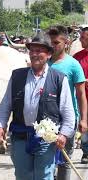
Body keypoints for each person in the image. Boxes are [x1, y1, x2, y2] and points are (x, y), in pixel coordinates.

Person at [0, 32, 76, 180]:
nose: (34, 54)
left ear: (49, 54)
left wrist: (64, 134)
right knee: (22, 175)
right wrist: (0, 125)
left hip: (46, 139)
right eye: (32, 50)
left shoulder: (58, 79)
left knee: (43, 176)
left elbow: (67, 111)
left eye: (39, 51)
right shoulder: (17, 76)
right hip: (20, 136)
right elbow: (5, 105)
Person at [47, 25, 88, 180]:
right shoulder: (43, 63)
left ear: (67, 43)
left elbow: (81, 95)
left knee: (64, 162)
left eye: (56, 42)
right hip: (45, 120)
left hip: (67, 120)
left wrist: (83, 119)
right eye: (50, 41)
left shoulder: (73, 65)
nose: (52, 45)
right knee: (45, 160)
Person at [73, 26, 88, 164]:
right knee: (84, 126)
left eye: (83, 37)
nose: (80, 40)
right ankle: (86, 152)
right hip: (82, 99)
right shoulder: (77, 57)